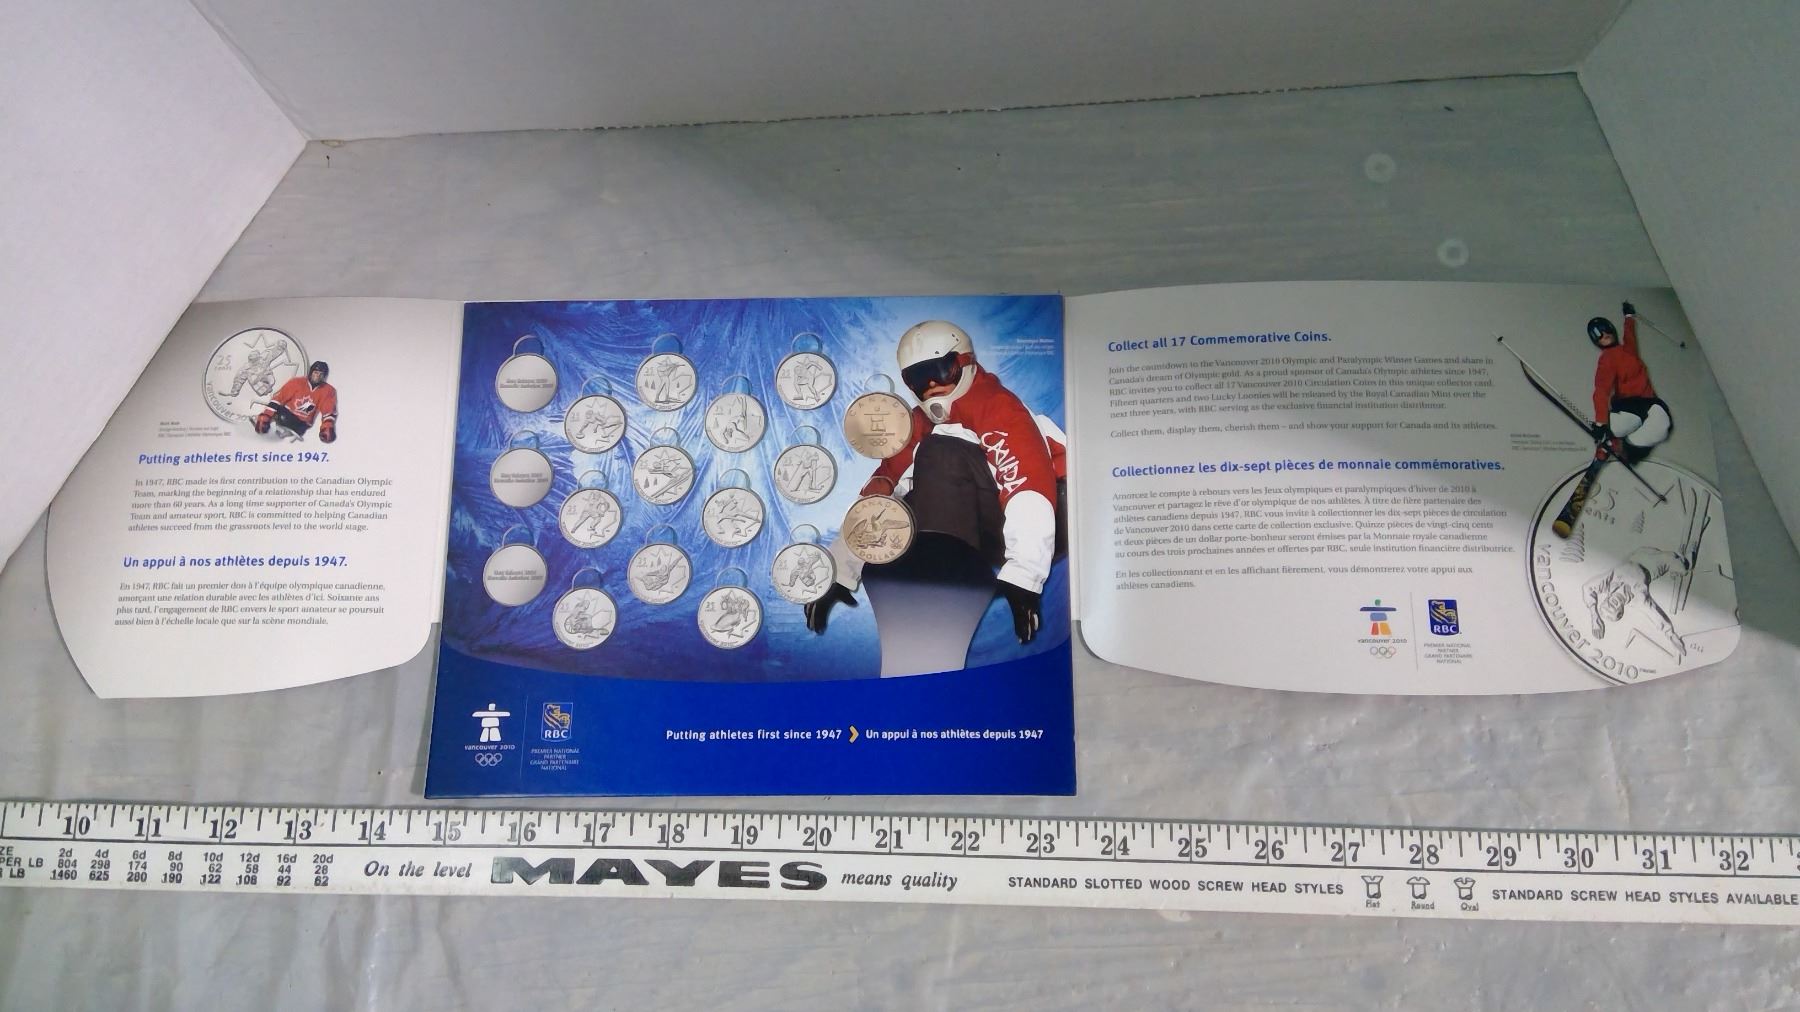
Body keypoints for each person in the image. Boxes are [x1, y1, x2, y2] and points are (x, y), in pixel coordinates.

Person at [807, 320, 1066, 667]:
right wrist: (838, 571)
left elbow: (1027, 484)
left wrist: (1024, 576)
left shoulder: (996, 405)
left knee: (941, 451)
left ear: (965, 363)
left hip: (1057, 514)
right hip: (986, 524)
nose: (931, 386)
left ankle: (946, 571)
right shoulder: (918, 424)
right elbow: (881, 495)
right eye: (918, 378)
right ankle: (930, 579)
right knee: (909, 492)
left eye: (942, 371)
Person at [1590, 302, 1672, 460]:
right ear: (1596, 341)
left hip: (1649, 402)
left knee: (1662, 426)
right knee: (1622, 424)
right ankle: (1611, 439)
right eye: (1598, 334)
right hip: (1628, 405)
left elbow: (1629, 334)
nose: (1604, 334)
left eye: (1605, 330)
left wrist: (1629, 316)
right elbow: (1601, 389)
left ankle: (1624, 447)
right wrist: (1601, 422)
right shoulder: (1607, 359)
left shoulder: (1629, 349)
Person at [255, 360, 338, 442]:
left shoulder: (328, 390)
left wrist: (327, 427)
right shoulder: (297, 382)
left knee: (283, 421)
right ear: (311, 372)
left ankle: (277, 431)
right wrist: (266, 415)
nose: (318, 376)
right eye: (316, 372)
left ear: (324, 376)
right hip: (285, 415)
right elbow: (278, 399)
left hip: (302, 424)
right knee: (279, 414)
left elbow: (328, 411)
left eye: (321, 374)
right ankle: (266, 422)